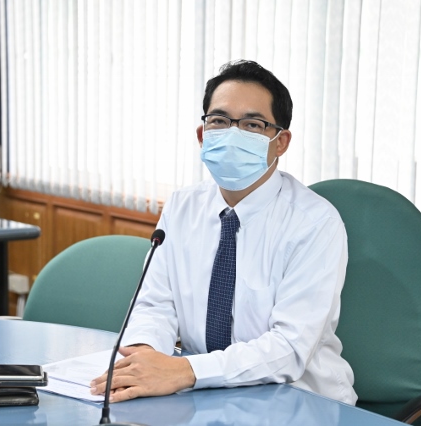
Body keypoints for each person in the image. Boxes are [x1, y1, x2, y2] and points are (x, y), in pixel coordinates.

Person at [90, 60, 357, 405]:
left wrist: (186, 371)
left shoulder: (315, 222)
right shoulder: (182, 206)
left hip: (297, 401)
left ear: (281, 142)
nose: (233, 134)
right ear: (203, 136)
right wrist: (143, 356)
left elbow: (289, 347)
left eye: (252, 124)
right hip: (202, 396)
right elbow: (155, 305)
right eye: (219, 121)